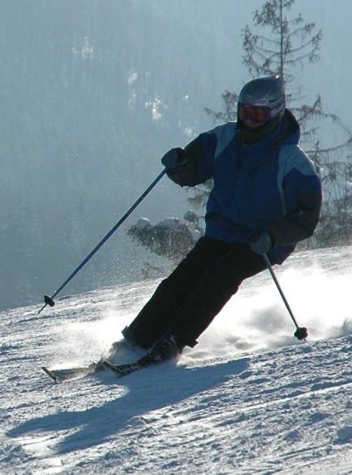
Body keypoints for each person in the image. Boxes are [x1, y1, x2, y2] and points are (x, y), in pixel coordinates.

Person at [120, 74, 322, 365]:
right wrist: (180, 165)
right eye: (245, 113)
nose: (250, 121)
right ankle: (137, 339)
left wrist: (274, 236)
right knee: (181, 279)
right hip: (222, 231)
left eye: (257, 114)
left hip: (261, 243)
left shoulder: (293, 161)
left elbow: (306, 217)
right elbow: (195, 167)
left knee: (219, 278)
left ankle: (175, 339)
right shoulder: (224, 138)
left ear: (275, 113)